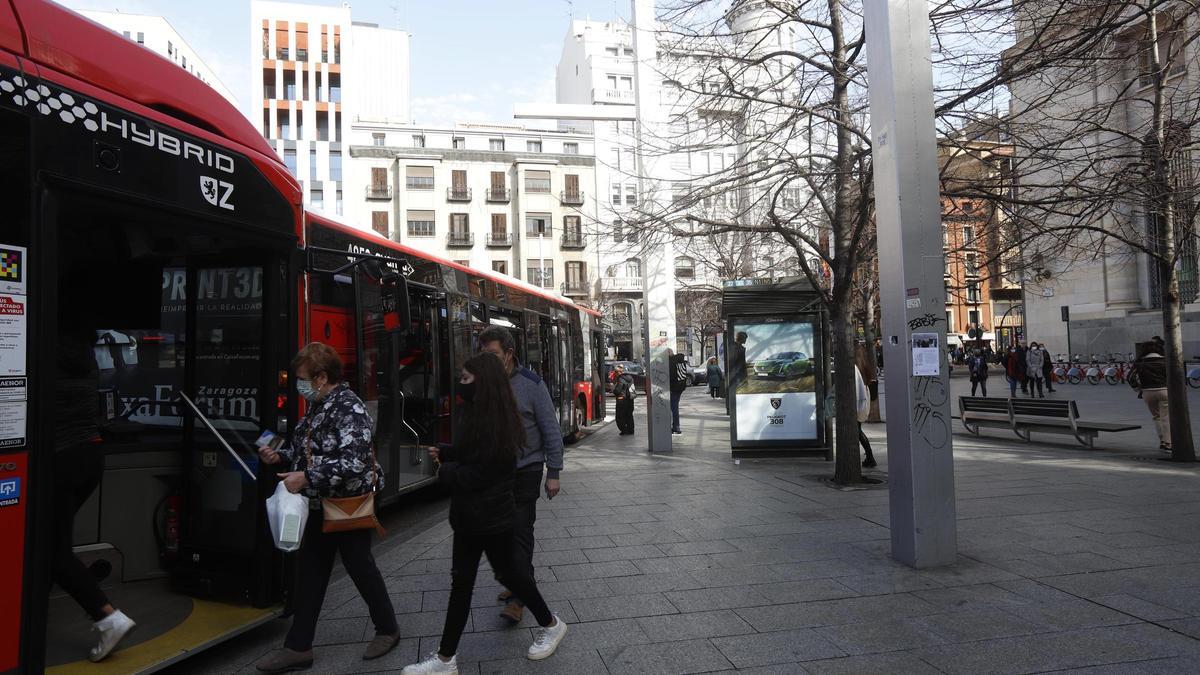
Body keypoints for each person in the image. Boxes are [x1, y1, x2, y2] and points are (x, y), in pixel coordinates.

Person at [402, 354, 567, 673]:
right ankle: (446, 659)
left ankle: (550, 624)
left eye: (465, 379)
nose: (460, 385)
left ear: (483, 382)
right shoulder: (478, 412)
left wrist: (446, 471)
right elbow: (475, 453)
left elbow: (487, 472)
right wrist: (449, 451)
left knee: (512, 575)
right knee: (465, 583)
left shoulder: (501, 422)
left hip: (492, 517)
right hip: (470, 517)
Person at [255, 342, 400, 673]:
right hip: (321, 503)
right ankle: (298, 647)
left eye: (303, 378)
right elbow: (304, 449)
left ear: (321, 377)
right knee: (310, 573)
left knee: (360, 567)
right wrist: (279, 456)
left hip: (347, 504)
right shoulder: (318, 406)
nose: (299, 385)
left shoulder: (350, 409)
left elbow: (355, 462)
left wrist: (306, 477)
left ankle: (388, 628)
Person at [52, 293, 136, 663]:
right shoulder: (84, 358)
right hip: (88, 455)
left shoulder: (42, 351)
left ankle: (107, 616)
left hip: (58, 459)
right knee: (48, 543)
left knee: (51, 550)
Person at [476, 326, 563, 625]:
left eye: (493, 355)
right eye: (483, 354)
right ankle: (519, 583)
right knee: (500, 536)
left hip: (526, 471)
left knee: (520, 535)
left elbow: (551, 431)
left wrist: (554, 472)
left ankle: (517, 600)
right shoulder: (484, 382)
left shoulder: (531, 385)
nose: (487, 361)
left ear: (509, 354)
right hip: (495, 474)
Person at [1135, 341, 1171, 452]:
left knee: (1157, 417)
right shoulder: (1165, 360)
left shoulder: (1140, 362)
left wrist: (1138, 388)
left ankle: (1162, 441)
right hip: (1164, 390)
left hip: (1148, 392)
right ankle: (1168, 443)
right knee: (1166, 417)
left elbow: (1130, 377)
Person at [854, 366, 877, 468]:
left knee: (857, 430)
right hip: (863, 395)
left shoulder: (855, 366)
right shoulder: (862, 364)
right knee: (858, 429)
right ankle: (869, 457)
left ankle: (870, 457)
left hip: (860, 397)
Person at [668, 351, 688, 435]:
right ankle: (675, 426)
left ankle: (676, 427)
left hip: (674, 388)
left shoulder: (671, 362)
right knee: (674, 407)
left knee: (674, 407)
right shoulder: (680, 361)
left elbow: (671, 376)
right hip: (681, 387)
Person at [612, 364, 636, 435]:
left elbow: (618, 390)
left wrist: (613, 390)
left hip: (622, 400)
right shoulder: (630, 378)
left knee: (620, 416)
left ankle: (624, 430)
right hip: (630, 399)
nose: (615, 374)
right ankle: (631, 430)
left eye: (616, 372)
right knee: (629, 415)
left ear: (619, 372)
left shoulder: (621, 379)